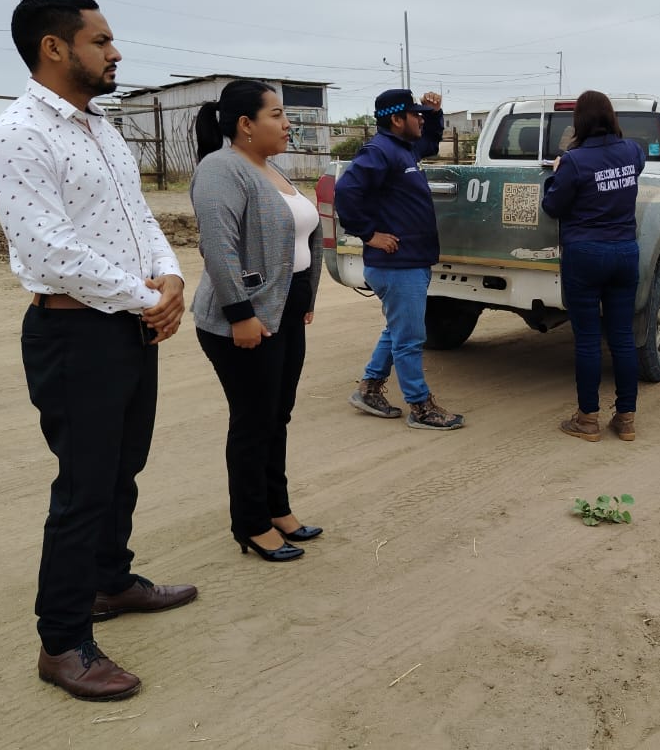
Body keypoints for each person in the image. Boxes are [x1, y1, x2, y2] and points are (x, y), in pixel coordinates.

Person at [0, 0, 196, 702]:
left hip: (127, 323)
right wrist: (148, 298)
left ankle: (109, 581)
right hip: (74, 333)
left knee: (124, 467)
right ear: (54, 47)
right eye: (100, 40)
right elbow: (52, 251)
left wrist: (169, 277)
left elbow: (138, 218)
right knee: (84, 486)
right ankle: (62, 641)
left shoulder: (101, 129)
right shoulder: (16, 136)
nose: (115, 52)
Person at [191, 80, 324, 562]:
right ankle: (250, 523)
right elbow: (218, 247)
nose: (287, 124)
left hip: (283, 312)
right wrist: (240, 314)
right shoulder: (221, 168)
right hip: (243, 319)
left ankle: (276, 508)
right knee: (253, 420)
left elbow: (302, 240)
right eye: (277, 114)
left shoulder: (271, 169)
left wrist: (305, 297)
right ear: (246, 124)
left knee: (277, 414)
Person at [335, 88, 465, 430]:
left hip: (410, 261)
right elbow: (346, 191)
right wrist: (369, 234)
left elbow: (431, 143)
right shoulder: (380, 152)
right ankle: (421, 407)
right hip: (397, 265)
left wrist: (436, 115)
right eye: (415, 114)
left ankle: (369, 390)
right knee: (410, 338)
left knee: (398, 330)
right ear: (396, 119)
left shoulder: (405, 149)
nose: (420, 119)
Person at [541, 90, 645, 442]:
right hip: (625, 252)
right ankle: (626, 418)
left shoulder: (574, 161)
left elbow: (553, 206)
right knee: (622, 337)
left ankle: (587, 419)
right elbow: (635, 168)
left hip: (585, 253)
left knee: (587, 340)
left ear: (579, 122)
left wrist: (556, 173)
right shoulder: (632, 151)